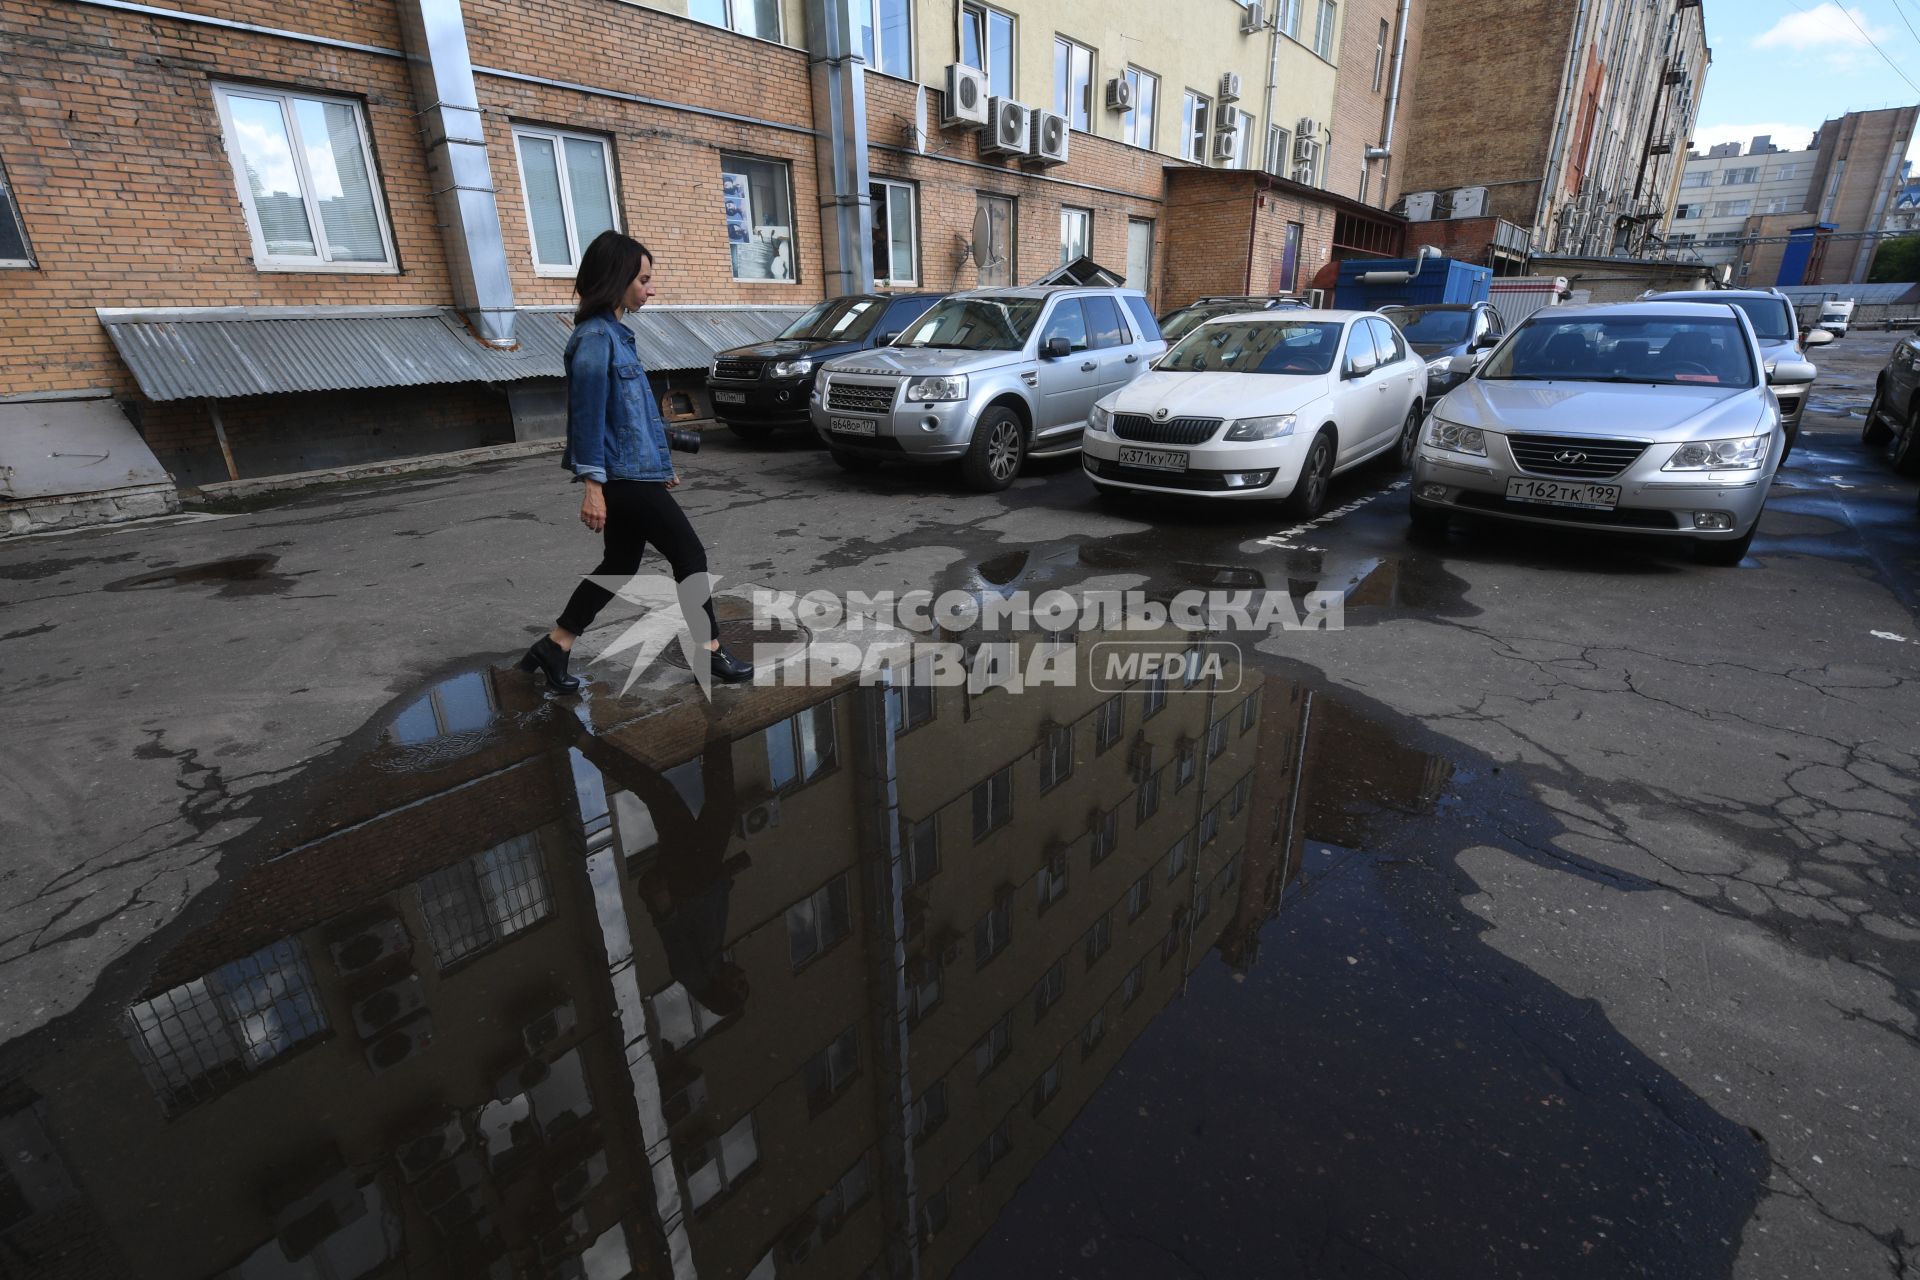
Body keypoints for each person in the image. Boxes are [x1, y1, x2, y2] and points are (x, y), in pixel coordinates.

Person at [519, 231, 752, 692]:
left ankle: (556, 644)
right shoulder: (595, 339)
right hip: (618, 477)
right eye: (644, 279)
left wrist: (659, 467)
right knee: (689, 554)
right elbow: (586, 418)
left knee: (621, 564)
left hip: (633, 473)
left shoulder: (616, 337)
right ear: (619, 279)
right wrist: (592, 486)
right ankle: (708, 653)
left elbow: (631, 419)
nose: (651, 288)